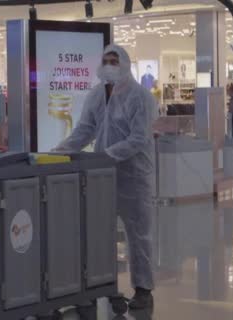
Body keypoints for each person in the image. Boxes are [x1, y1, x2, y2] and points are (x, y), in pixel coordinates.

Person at [54, 44, 156, 310]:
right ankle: (106, 285)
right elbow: (85, 130)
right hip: (103, 176)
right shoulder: (96, 94)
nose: (109, 64)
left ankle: (143, 289)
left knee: (138, 234)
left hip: (134, 176)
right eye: (106, 60)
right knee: (101, 233)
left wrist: (107, 155)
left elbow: (138, 138)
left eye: (114, 60)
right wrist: (59, 151)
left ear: (125, 63)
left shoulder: (140, 96)